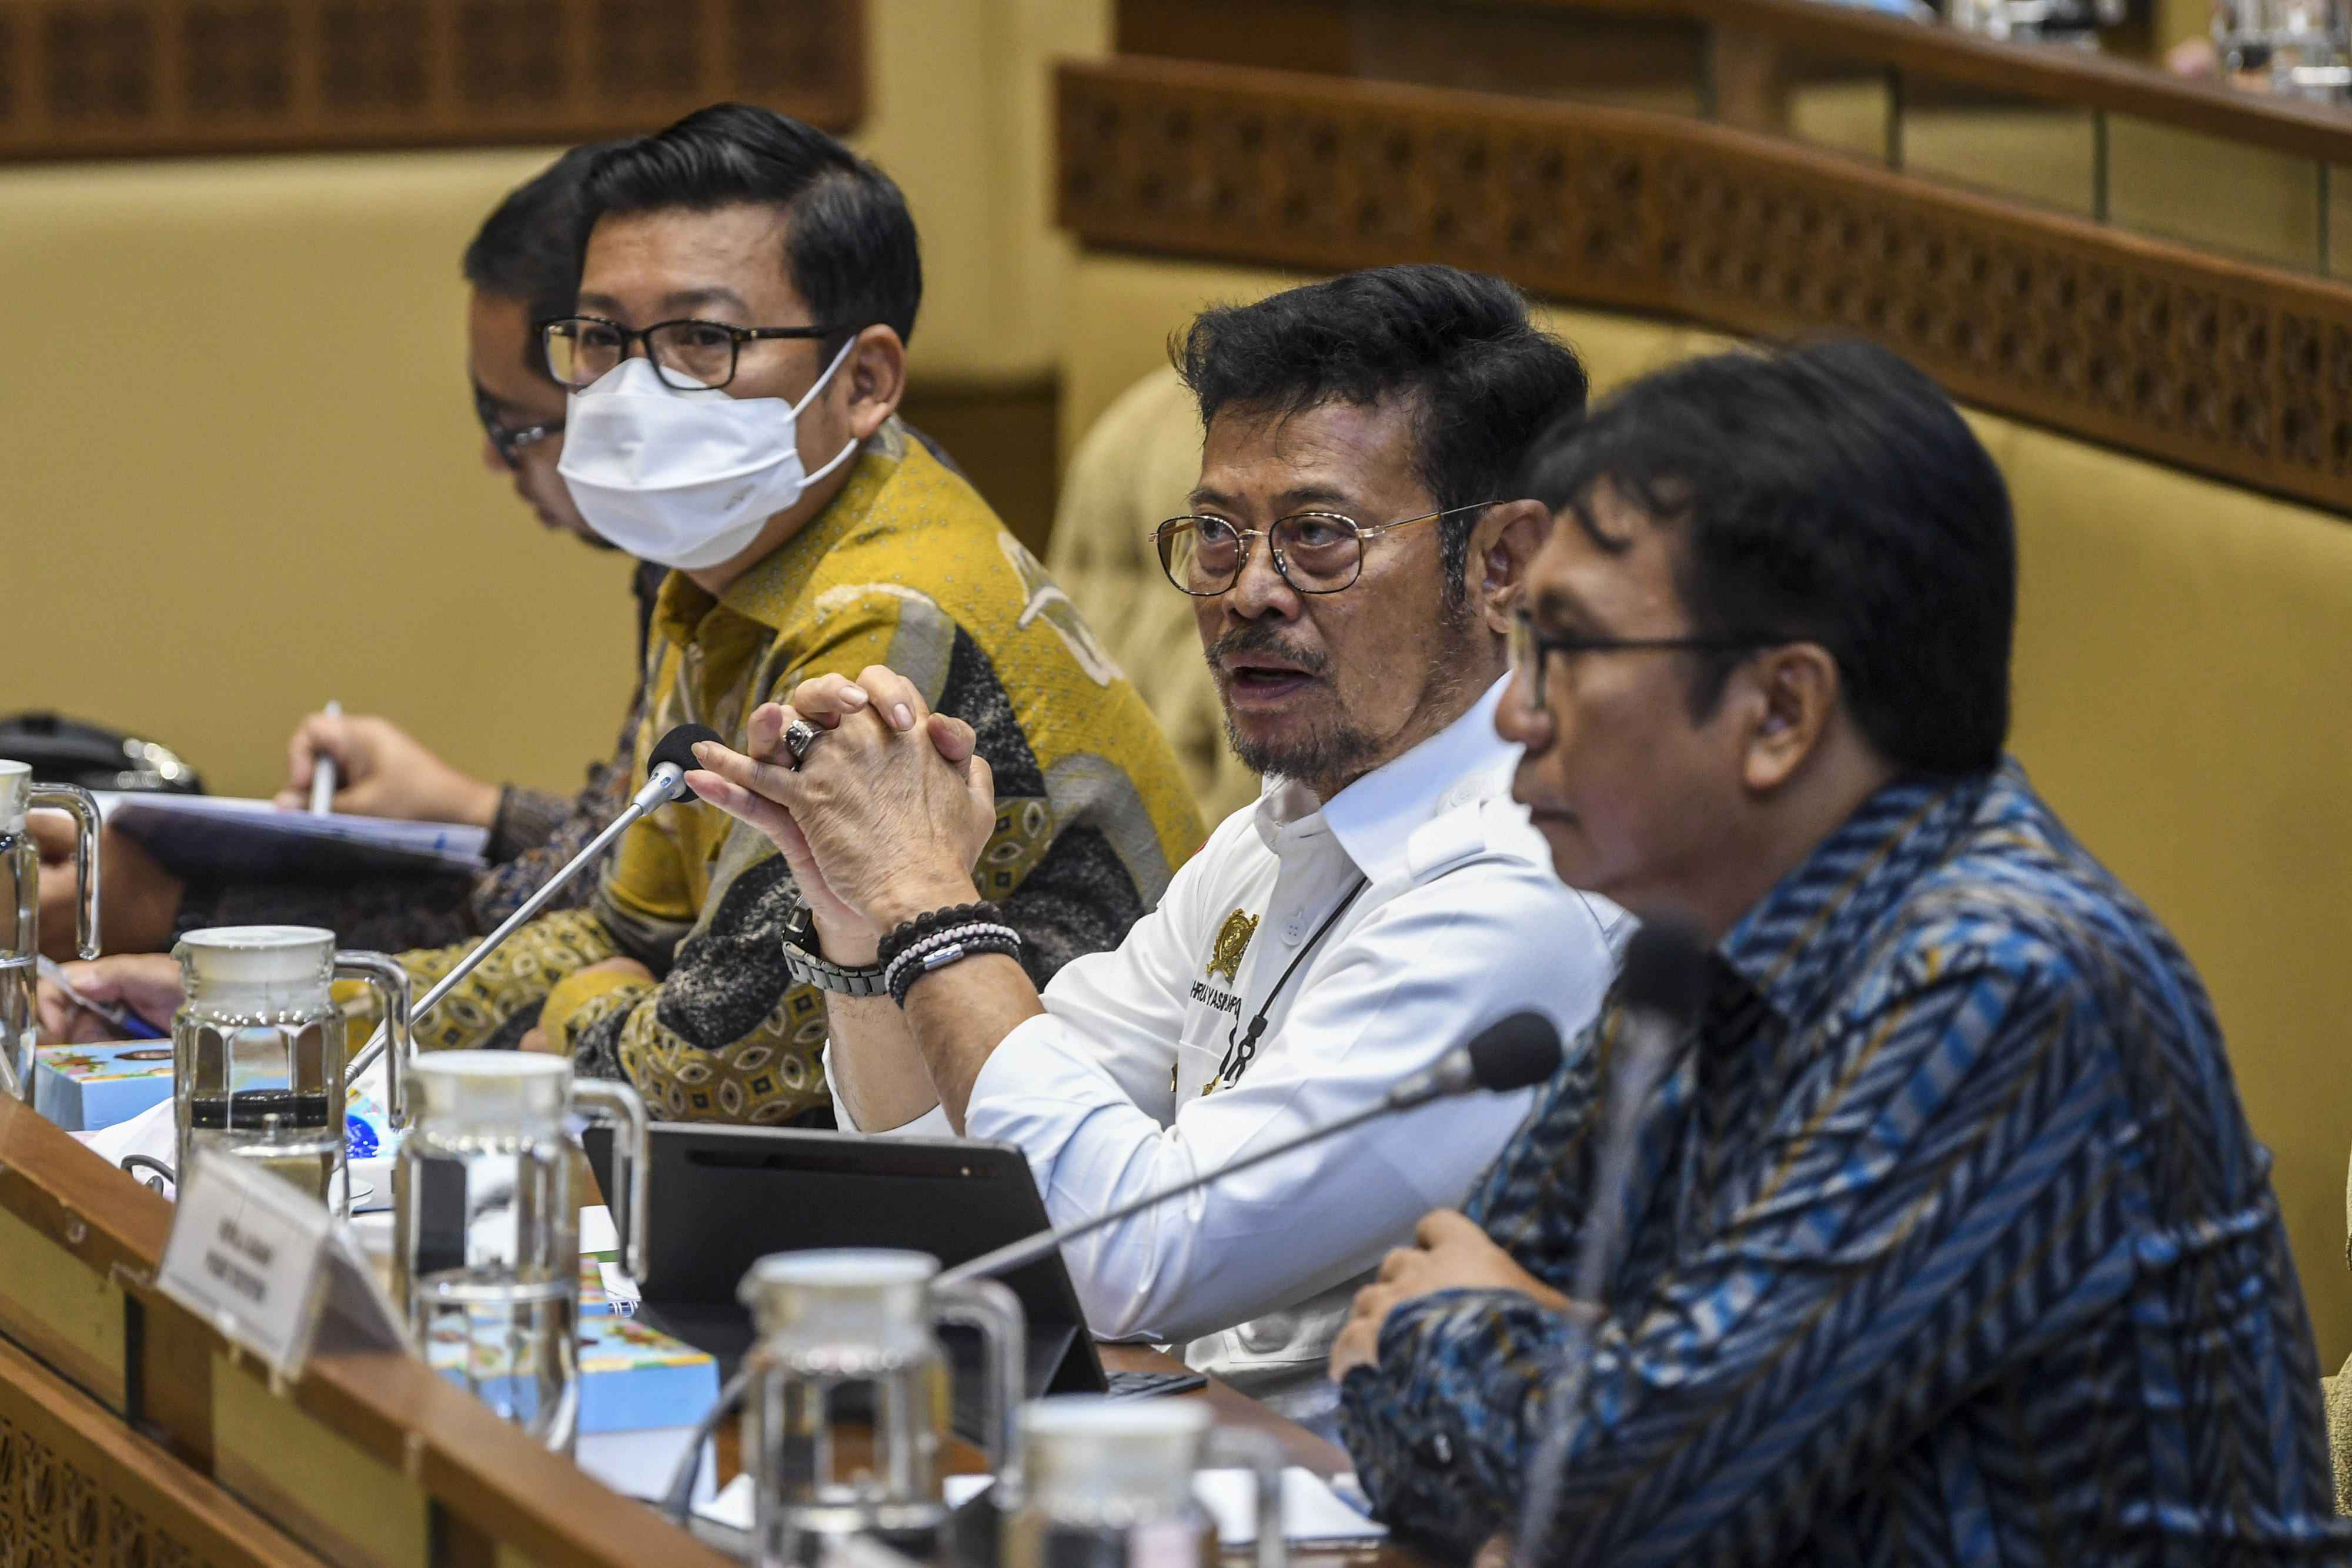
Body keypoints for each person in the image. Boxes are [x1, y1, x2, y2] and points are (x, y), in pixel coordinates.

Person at [1325, 342, 2351, 1564]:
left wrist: (1537, 1364)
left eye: (1568, 650)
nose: (1511, 711)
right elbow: (1387, 1376)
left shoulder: (2003, 981)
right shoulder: (1694, 942)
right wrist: (1568, 1364)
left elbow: (1625, 1488)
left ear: (1778, 711)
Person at [684, 265, 1627, 1420]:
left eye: (1318, 537)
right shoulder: (1268, 837)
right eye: (1218, 537)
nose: (1249, 594)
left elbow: (1136, 1253)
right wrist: (857, 911)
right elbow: (953, 1192)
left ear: (1500, 566)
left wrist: (928, 896)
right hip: (1157, 1460)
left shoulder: (1520, 895)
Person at [35, 144, 660, 971]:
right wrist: (479, 810)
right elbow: (643, 859)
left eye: (516, 424)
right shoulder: (682, 568)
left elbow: (599, 939)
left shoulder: (805, 590)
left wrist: (178, 913)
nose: (493, 459)